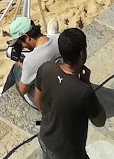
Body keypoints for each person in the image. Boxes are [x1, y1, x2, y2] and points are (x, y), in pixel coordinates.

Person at [34, 28, 106, 159]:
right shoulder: (83, 91)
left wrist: (50, 118)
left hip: (45, 139)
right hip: (69, 153)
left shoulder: (45, 69)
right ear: (81, 54)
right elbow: (100, 121)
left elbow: (38, 99)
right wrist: (87, 84)